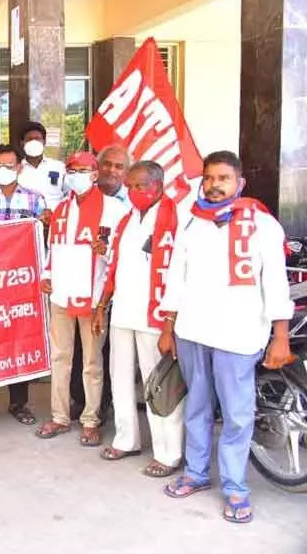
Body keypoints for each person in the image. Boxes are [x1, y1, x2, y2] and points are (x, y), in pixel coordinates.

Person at [159, 150, 293, 524]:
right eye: (209, 178)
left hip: (239, 334)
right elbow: (175, 278)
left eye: (223, 178)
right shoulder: (193, 223)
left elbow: (276, 284)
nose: (215, 185)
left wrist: (280, 337)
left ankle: (235, 487)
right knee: (198, 408)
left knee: (237, 415)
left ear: (240, 183)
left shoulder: (263, 226)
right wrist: (168, 326)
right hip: (192, 331)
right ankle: (196, 473)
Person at [93, 160, 184, 478]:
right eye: (129, 186)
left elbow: (177, 272)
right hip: (123, 311)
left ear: (157, 186)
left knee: (158, 385)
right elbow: (115, 265)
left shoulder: (175, 218)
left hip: (155, 316)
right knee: (119, 380)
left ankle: (169, 453)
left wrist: (170, 322)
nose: (132, 191)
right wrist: (102, 305)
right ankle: (126, 439)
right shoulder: (126, 219)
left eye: (138, 185)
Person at [35, 151, 128, 446]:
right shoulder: (61, 207)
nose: (76, 175)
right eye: (71, 170)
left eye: (83, 170)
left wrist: (107, 252)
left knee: (91, 361)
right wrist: (46, 274)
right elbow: (54, 246)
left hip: (92, 296)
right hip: (61, 293)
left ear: (95, 174)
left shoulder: (114, 209)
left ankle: (90, 419)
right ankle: (60, 416)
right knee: (60, 357)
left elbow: (120, 255)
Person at [0, 144, 47, 425]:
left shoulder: (35, 201)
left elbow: (44, 241)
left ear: (19, 167)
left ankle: (19, 402)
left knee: (19, 343)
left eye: (9, 165)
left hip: (20, 285)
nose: (4, 170)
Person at [70, 143, 131, 421]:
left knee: (106, 350)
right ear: (96, 169)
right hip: (80, 284)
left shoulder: (130, 204)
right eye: (107, 164)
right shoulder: (76, 197)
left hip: (117, 288)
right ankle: (79, 399)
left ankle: (103, 404)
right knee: (79, 348)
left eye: (119, 166)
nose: (112, 171)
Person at [16, 122, 67, 210]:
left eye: (37, 139)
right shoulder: (15, 170)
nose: (34, 142)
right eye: (29, 139)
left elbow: (69, 195)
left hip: (56, 219)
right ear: (22, 143)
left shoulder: (59, 167)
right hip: (27, 220)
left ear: (44, 142)